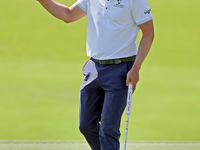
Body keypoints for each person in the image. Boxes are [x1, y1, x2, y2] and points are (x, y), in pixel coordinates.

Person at [36, 0, 154, 149]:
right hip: (93, 68)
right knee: (86, 125)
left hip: (121, 70)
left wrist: (136, 68)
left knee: (108, 130)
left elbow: (148, 32)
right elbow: (68, 14)